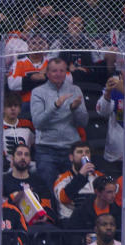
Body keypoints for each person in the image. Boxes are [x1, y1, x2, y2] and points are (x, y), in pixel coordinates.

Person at [30, 58, 88, 199]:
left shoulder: (75, 90)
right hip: (46, 149)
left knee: (73, 189)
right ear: (47, 73)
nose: (58, 74)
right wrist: (56, 105)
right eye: (54, 71)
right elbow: (38, 122)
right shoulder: (38, 92)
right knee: (48, 191)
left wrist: (74, 109)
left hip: (70, 148)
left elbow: (84, 122)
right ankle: (52, 219)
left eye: (62, 70)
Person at [2, 144, 56, 226]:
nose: (23, 157)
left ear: (30, 159)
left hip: (37, 225)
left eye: (26, 155)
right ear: (12, 158)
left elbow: (47, 205)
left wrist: (45, 216)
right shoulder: (3, 181)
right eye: (19, 154)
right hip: (12, 225)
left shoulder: (39, 181)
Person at [0, 92, 35, 173]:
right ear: (3, 108)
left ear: (20, 109)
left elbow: (35, 148)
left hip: (25, 163)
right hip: (2, 165)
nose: (13, 108)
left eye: (16, 106)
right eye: (9, 106)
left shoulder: (28, 125)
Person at [54, 141, 103, 220]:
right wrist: (81, 176)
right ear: (71, 157)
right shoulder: (62, 178)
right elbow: (63, 198)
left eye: (87, 152)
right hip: (70, 220)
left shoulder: (99, 176)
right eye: (80, 152)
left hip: (95, 220)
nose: (84, 155)